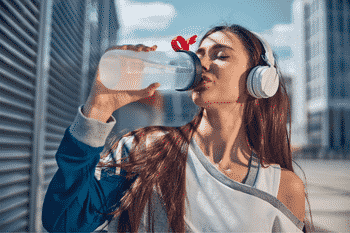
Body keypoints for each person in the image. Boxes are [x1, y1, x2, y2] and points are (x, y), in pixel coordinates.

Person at [42, 24, 315, 232]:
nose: (202, 65)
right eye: (199, 55)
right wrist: (99, 109)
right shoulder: (146, 149)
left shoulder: (283, 187)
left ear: (260, 79)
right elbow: (64, 220)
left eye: (220, 55)